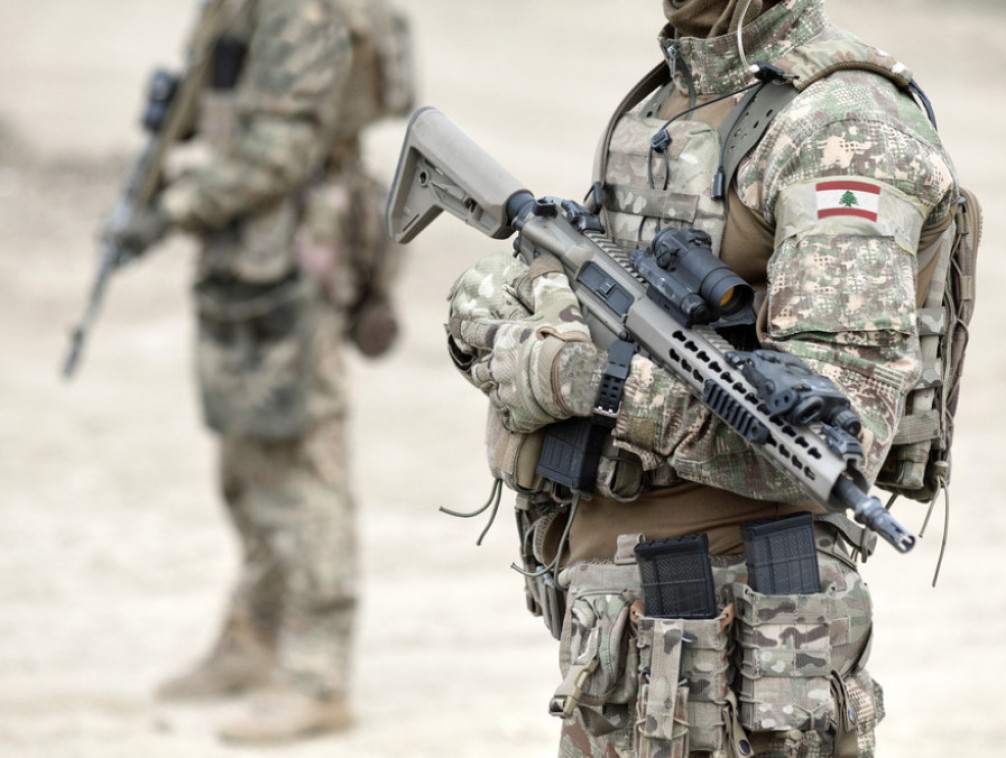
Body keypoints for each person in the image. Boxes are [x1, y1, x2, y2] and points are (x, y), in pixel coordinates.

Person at [445, 0, 960, 755]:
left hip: (747, 655)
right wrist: (513, 309)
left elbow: (839, 433)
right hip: (614, 644)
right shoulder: (673, 95)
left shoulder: (845, 128)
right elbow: (571, 282)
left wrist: (588, 380)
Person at [104, 0, 414, 743]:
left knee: (303, 460)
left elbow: (280, 152)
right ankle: (255, 637)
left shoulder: (303, 10)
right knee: (248, 462)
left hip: (296, 256)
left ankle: (316, 673)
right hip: (248, 253)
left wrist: (172, 210)